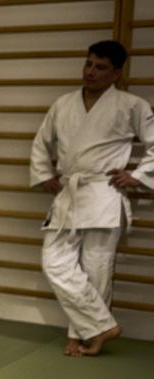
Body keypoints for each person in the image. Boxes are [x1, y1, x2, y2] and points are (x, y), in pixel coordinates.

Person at [31, 40, 154, 357]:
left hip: (104, 192)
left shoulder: (131, 105)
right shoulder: (63, 104)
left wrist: (137, 176)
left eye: (100, 67)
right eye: (88, 64)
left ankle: (86, 336)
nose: (90, 72)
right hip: (70, 192)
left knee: (96, 269)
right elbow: (42, 141)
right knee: (55, 262)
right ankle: (101, 325)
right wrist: (44, 173)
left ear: (116, 73)